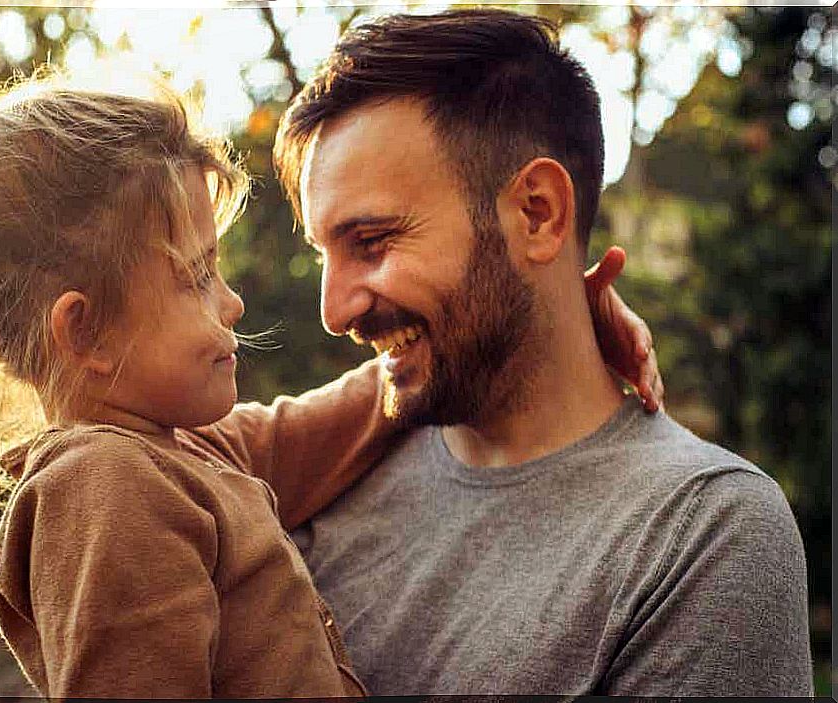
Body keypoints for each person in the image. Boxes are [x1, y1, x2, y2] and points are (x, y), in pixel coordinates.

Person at [0, 44, 659, 698]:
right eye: (196, 275)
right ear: (85, 331)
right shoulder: (105, 489)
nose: (231, 302)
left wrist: (533, 321)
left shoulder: (178, 454)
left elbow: (328, 423)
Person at [274, 8, 814, 697]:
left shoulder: (696, 534)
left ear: (536, 213)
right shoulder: (316, 473)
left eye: (372, 242)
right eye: (323, 254)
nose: (333, 310)